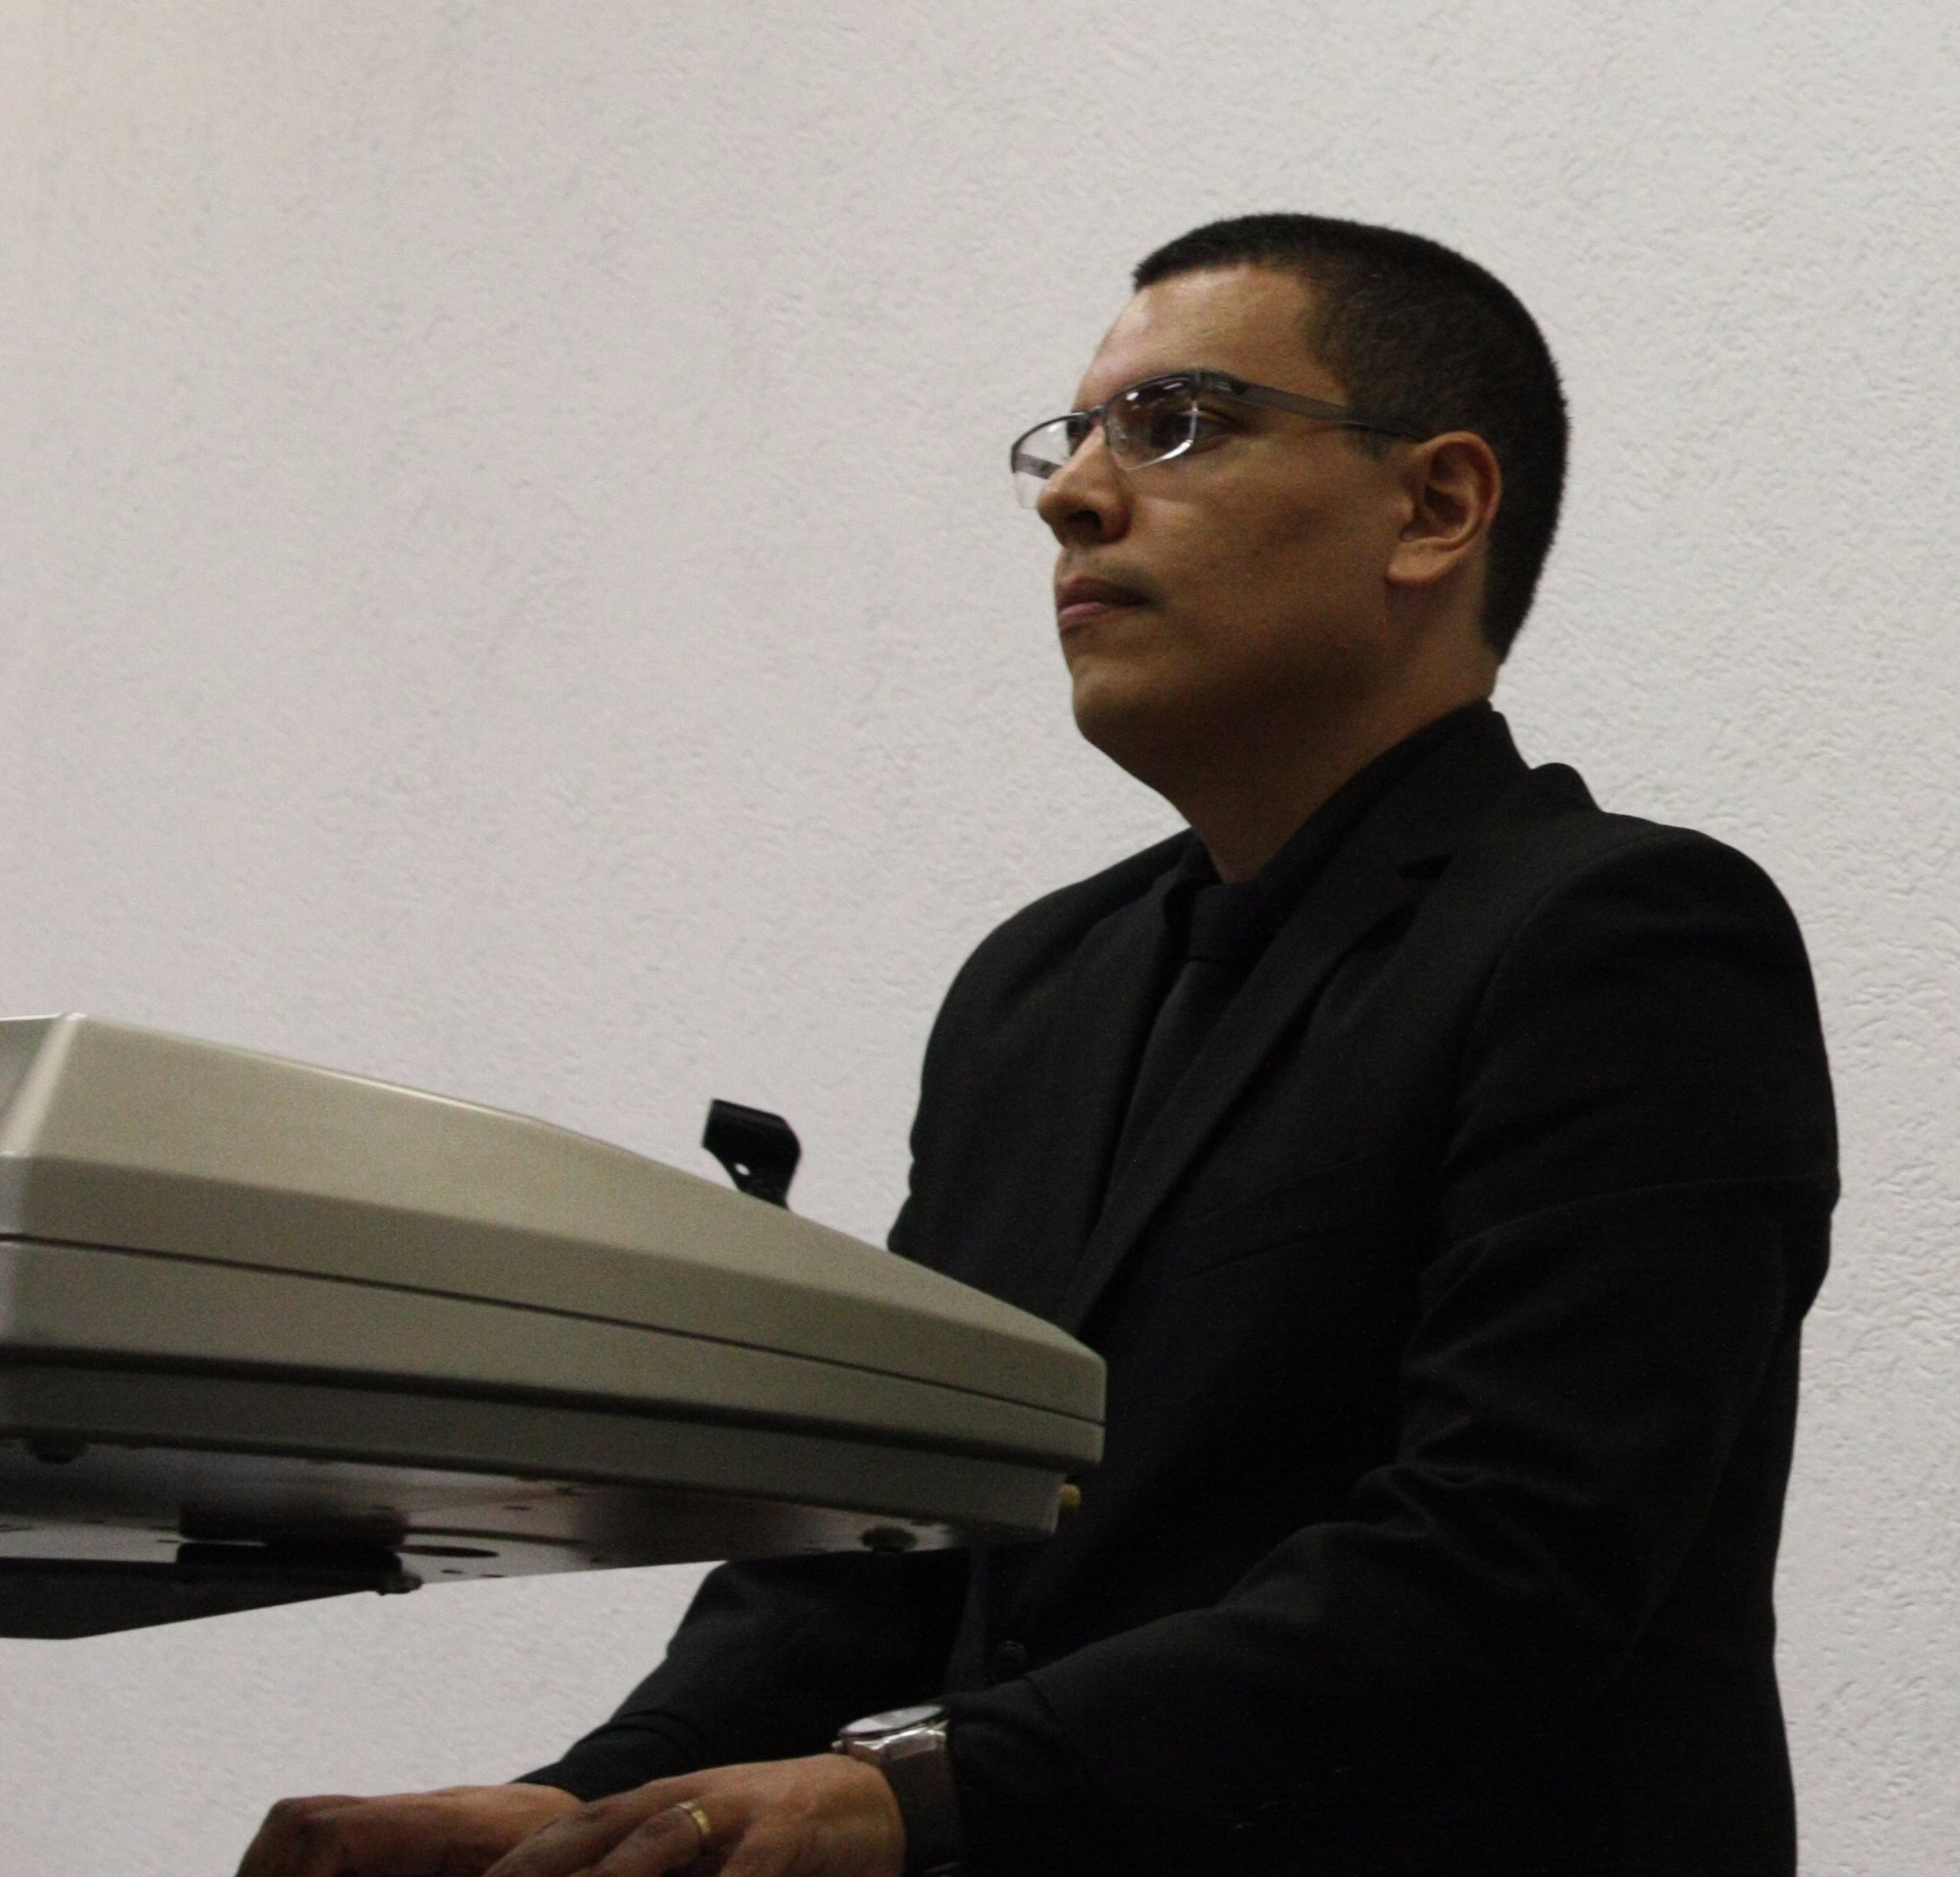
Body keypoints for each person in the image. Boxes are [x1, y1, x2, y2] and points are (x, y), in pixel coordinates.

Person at [243, 215, 1838, 1877]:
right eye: (1071, 439)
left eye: (1176, 424)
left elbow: (1509, 1564)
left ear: (1434, 508)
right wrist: (596, 1805)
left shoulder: (1623, 939)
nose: (1073, 495)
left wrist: (921, 1792)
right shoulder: (1040, 989)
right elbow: (894, 1537)